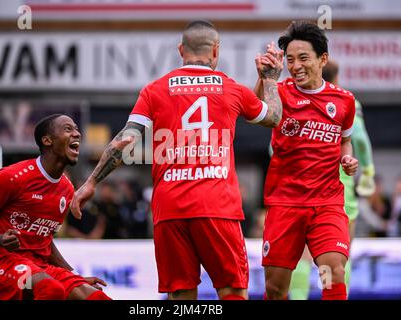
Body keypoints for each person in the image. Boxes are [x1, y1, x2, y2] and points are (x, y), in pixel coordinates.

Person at [71, 20, 283, 300]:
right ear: (216, 51)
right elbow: (272, 116)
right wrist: (269, 78)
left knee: (181, 295)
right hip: (217, 206)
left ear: (181, 50)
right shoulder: (231, 89)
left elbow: (125, 140)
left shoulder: (155, 90)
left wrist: (91, 182)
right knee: (231, 290)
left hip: (170, 209)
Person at [254, 21, 359, 300]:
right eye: (289, 59)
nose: (295, 65)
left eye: (303, 58)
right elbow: (257, 112)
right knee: (276, 288)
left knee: (333, 272)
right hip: (285, 203)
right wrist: (266, 77)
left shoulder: (345, 101)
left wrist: (347, 158)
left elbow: (344, 140)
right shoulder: (282, 91)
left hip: (327, 203)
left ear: (322, 59)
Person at [0, 114, 111, 300]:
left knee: (96, 297)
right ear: (47, 140)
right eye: (68, 129)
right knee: (50, 288)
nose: (77, 134)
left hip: (39, 266)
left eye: (76, 129)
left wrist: (74, 275)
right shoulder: (13, 177)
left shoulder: (66, 188)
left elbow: (45, 240)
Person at [288, 59, 377, 299]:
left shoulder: (297, 101)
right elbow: (359, 138)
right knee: (340, 254)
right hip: (340, 191)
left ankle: (298, 297)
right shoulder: (346, 100)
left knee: (303, 254)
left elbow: (273, 149)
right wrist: (368, 172)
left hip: (303, 188)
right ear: (337, 78)